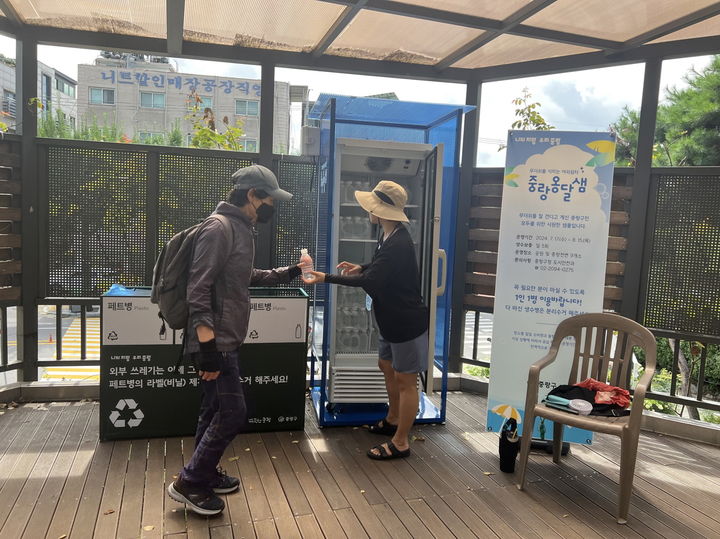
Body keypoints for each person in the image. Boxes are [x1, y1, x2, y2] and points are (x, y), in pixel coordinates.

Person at [167, 164, 303, 516]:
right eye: (269, 200)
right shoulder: (220, 228)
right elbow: (198, 290)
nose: (272, 207)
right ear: (252, 195)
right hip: (216, 342)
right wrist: (208, 349)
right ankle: (189, 482)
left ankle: (204, 472)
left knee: (213, 409)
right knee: (233, 412)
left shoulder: (242, 228)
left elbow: (244, 275)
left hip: (226, 338)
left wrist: (290, 272)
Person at [302, 180, 428, 460]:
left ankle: (401, 441)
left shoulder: (399, 243)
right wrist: (363, 265)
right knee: (385, 364)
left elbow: (371, 281)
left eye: (372, 206)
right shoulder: (390, 234)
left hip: (405, 323)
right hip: (390, 318)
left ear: (381, 211)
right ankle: (393, 418)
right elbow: (379, 267)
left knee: (407, 381)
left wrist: (324, 278)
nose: (367, 211)